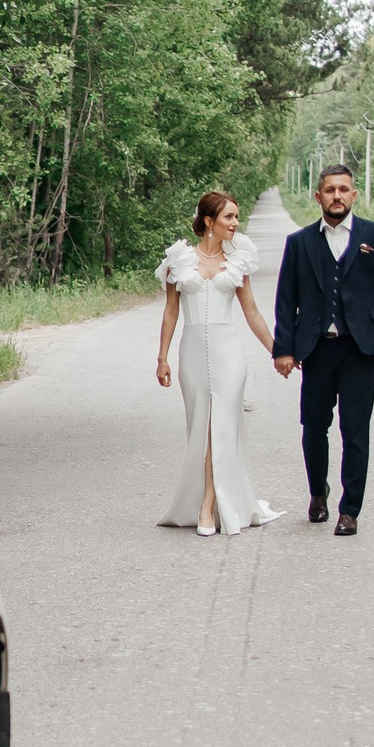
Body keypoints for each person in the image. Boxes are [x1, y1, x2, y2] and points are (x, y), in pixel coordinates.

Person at [271, 164, 374, 536]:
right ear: (318, 197)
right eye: (330, 190)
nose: (337, 196)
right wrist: (284, 349)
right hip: (316, 349)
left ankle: (350, 510)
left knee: (356, 429)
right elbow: (286, 299)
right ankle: (318, 493)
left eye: (343, 189)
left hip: (361, 349)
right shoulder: (299, 242)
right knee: (313, 427)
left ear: (354, 195)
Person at [155, 190, 284, 537]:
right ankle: (203, 498)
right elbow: (171, 311)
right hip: (192, 354)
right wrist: (162, 356)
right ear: (209, 221)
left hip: (229, 355)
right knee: (201, 428)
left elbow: (252, 311)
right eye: (229, 217)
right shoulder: (178, 261)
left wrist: (277, 351)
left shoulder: (238, 261)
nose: (235, 223)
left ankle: (209, 504)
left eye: (237, 217)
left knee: (222, 428)